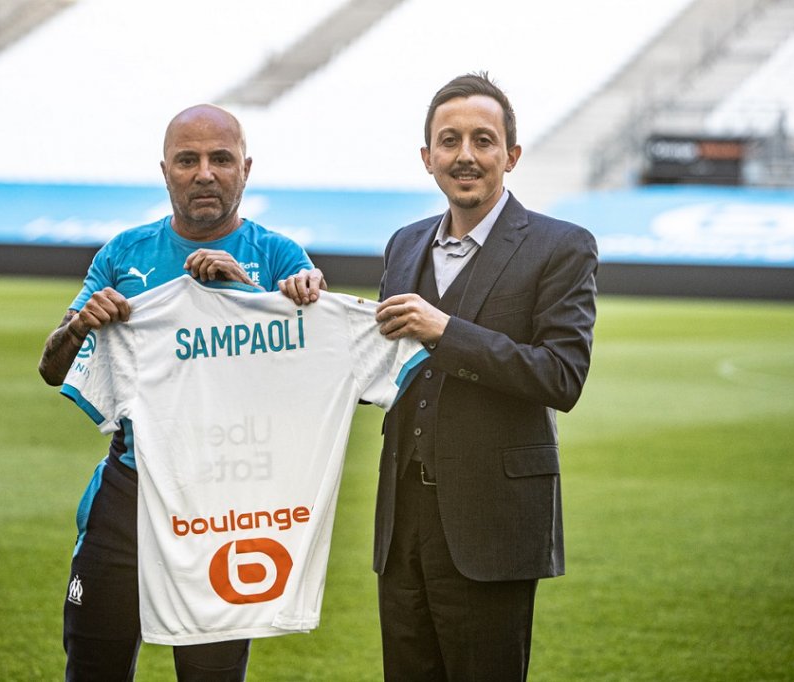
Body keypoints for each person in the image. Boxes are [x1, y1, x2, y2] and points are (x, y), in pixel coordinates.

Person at [38, 103, 325, 682]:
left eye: (221, 159)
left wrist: (249, 295)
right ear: (164, 170)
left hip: (223, 509)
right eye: (187, 160)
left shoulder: (277, 257)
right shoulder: (123, 254)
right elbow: (51, 367)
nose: (205, 173)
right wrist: (78, 325)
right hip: (128, 495)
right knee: (92, 666)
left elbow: (308, 376)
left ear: (246, 168)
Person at [372, 72, 598, 680]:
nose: (465, 155)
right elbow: (379, 365)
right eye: (449, 141)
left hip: (493, 523)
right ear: (427, 158)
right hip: (402, 524)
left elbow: (562, 375)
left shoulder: (561, 246)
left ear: (511, 155)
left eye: (482, 140)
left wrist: (447, 332)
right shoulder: (403, 244)